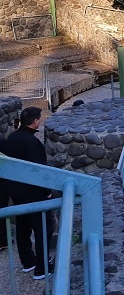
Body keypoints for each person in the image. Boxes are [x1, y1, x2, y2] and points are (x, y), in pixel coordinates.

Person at [4, 107, 55, 280]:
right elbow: (38, 170)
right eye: (39, 119)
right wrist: (47, 192)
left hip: (16, 191)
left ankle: (28, 262)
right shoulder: (32, 143)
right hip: (32, 193)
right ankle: (42, 267)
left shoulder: (12, 138)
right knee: (44, 228)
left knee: (23, 227)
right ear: (35, 122)